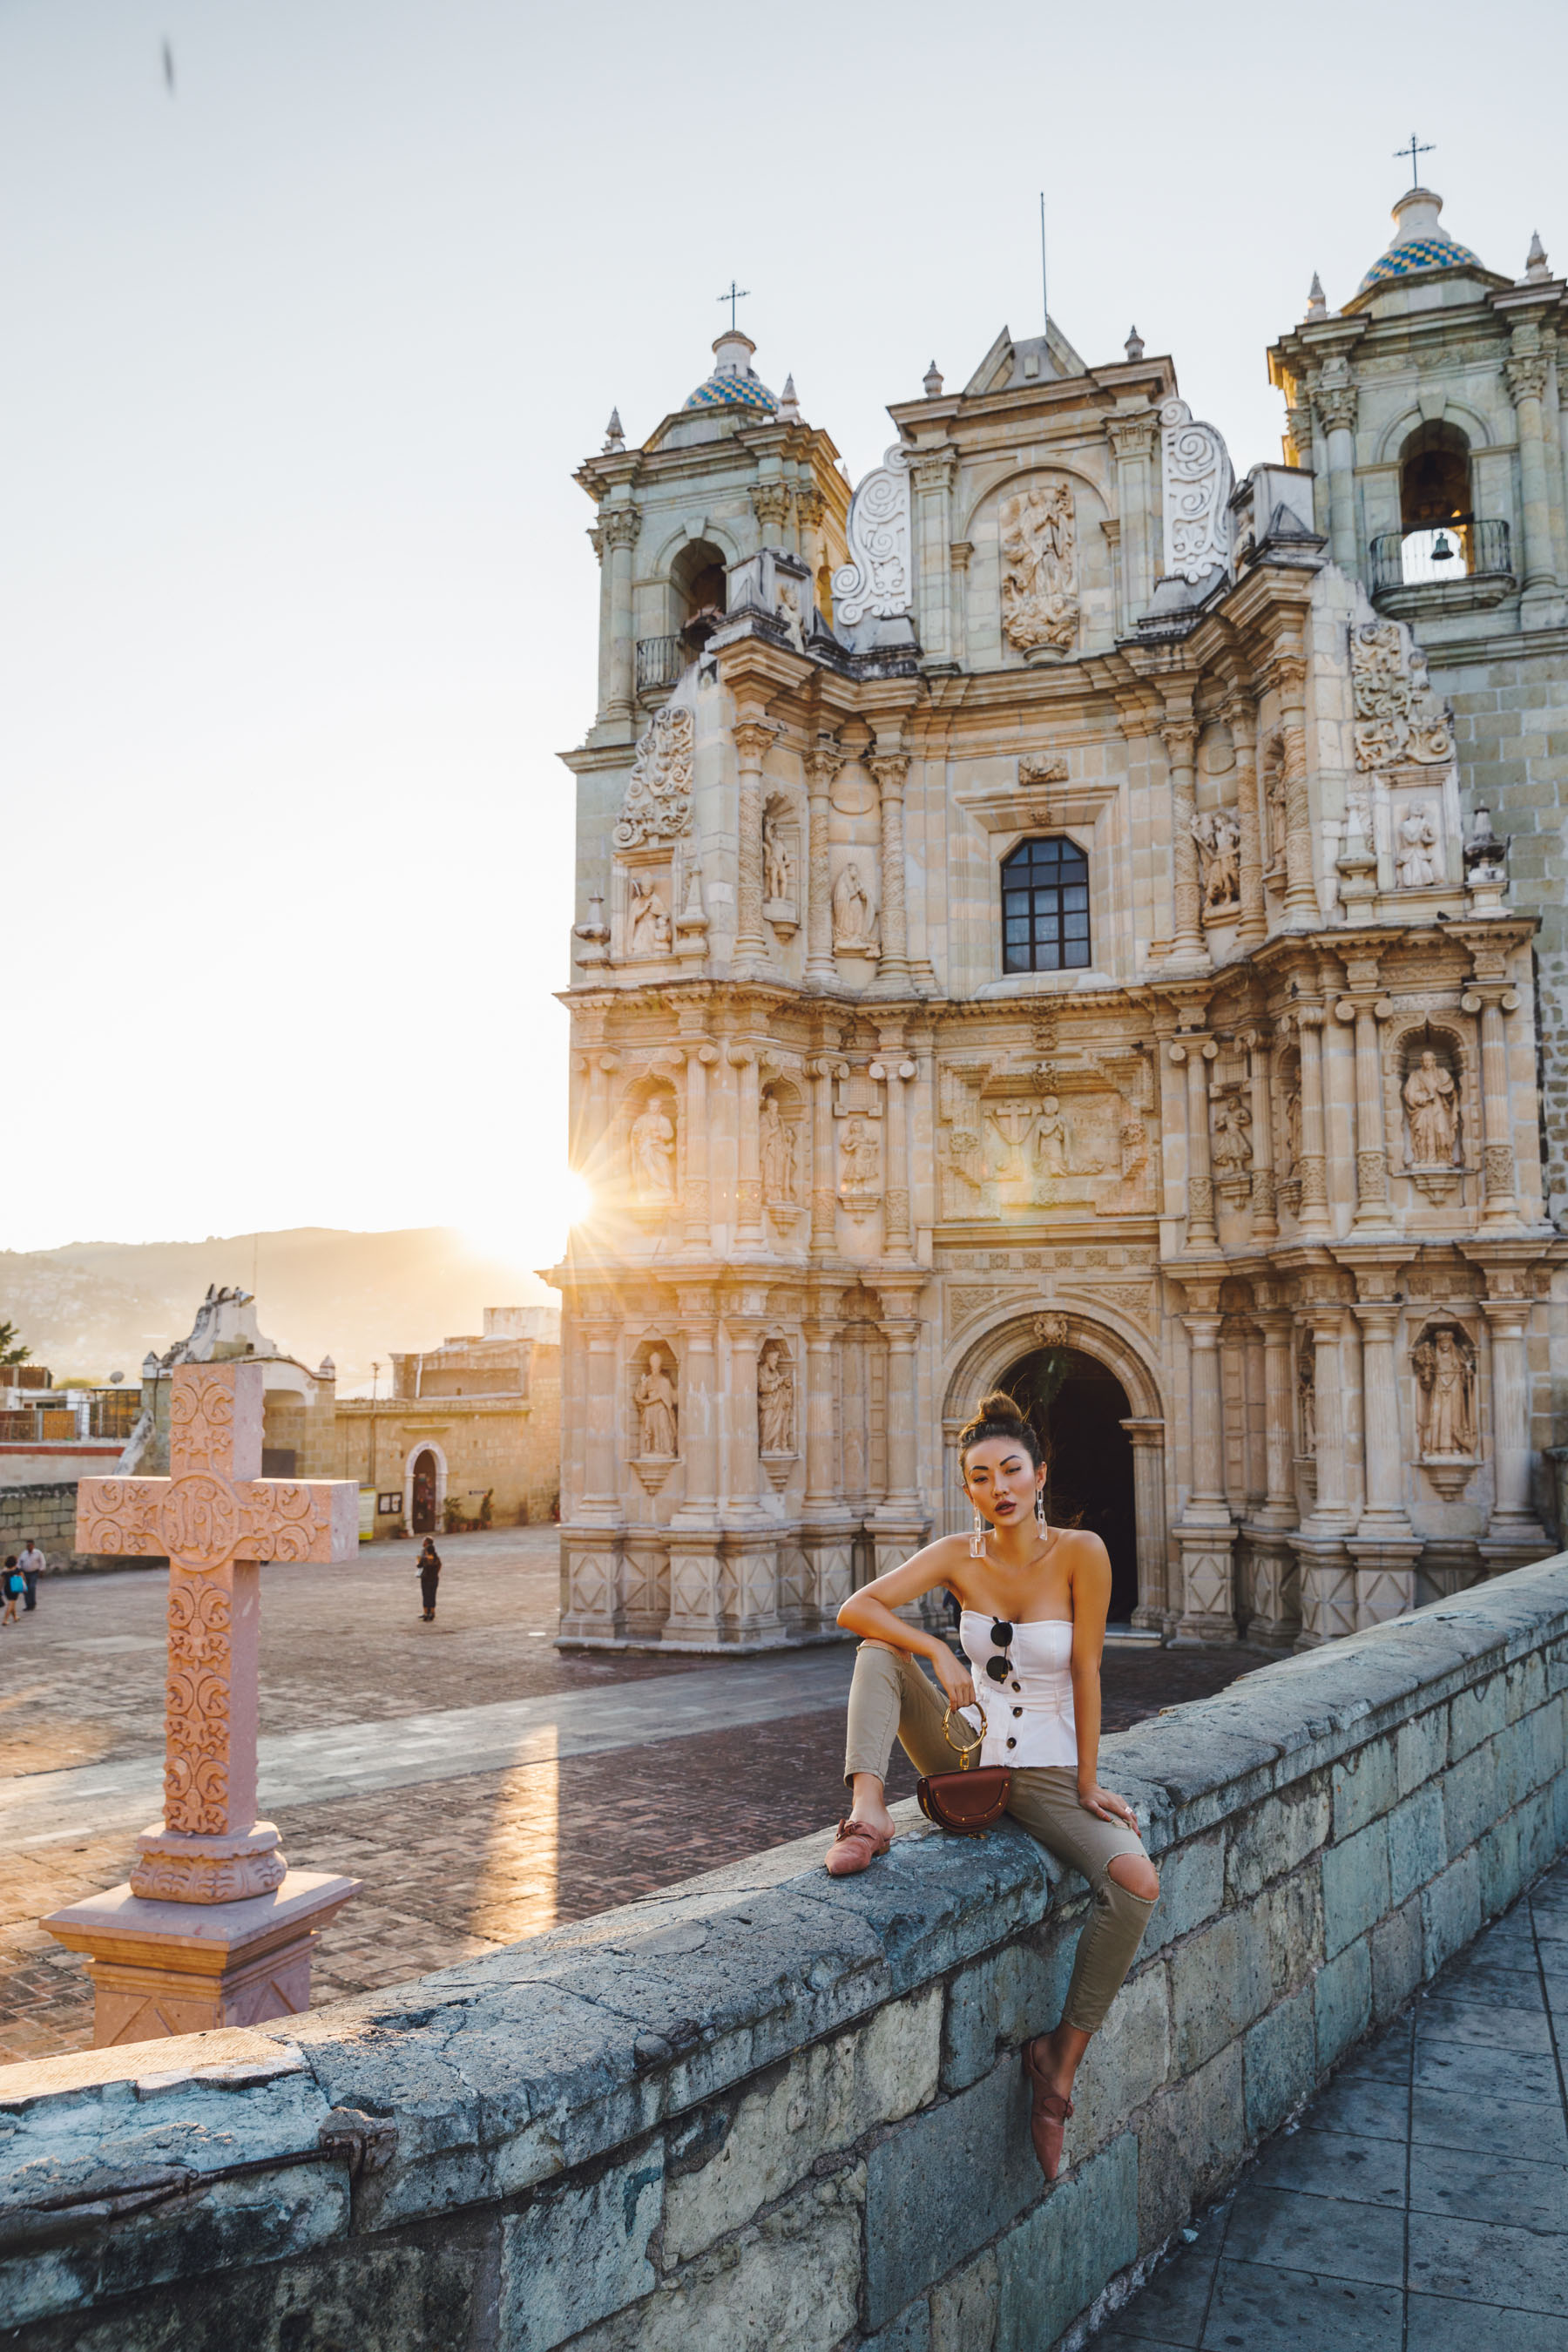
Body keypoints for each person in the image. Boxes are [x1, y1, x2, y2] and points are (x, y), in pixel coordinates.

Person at [828, 1389, 1159, 2182]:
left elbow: (1087, 1670)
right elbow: (856, 1608)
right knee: (879, 1653)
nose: (997, 1489)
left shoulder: (1083, 1552)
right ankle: (868, 1814)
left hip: (1042, 1771)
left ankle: (1057, 2067)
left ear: (1040, 1474)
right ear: (967, 1485)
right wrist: (941, 1657)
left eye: (1010, 1471)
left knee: (1135, 1883)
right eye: (979, 1477)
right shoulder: (956, 1554)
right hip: (968, 1755)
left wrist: (1087, 1780)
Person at [417, 1538, 442, 1622]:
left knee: (426, 1595)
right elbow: (439, 1567)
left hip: (425, 1579)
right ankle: (432, 1612)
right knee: (432, 1595)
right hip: (434, 1578)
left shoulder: (425, 1559)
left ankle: (426, 1613)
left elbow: (419, 1566)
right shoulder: (437, 1558)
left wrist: (419, 1560)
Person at [17, 1538, 44, 1612]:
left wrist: (41, 1571)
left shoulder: (38, 1553)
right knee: (25, 1589)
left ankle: (33, 1603)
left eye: (29, 1545)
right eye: (27, 1546)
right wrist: (18, 1570)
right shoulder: (23, 1553)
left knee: (32, 1587)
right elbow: (19, 1563)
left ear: (33, 1546)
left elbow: (42, 1562)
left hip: (34, 1572)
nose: (28, 1547)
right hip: (25, 1573)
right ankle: (28, 1605)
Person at [1, 1559, 22, 1626]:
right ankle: (5, 1620)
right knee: (11, 1603)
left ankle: (15, 1617)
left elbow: (1, 1581)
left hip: (7, 1588)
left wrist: (0, 1589)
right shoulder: (17, 1570)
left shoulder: (4, 1571)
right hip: (14, 1587)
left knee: (12, 1602)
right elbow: (22, 1578)